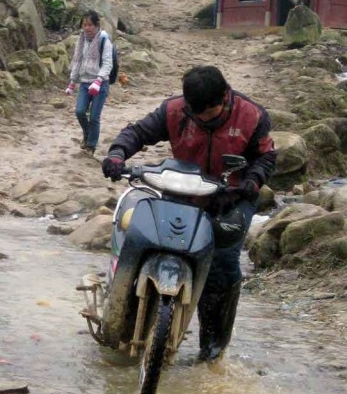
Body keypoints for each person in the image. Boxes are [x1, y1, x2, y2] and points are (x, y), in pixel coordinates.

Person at [101, 65, 276, 362]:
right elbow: (139, 132)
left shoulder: (252, 116)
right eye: (194, 114)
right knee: (144, 238)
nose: (200, 119)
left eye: (207, 114)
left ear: (225, 96)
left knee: (221, 264)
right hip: (181, 191)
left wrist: (253, 180)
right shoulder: (174, 110)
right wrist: (118, 153)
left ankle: (212, 348)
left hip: (230, 198)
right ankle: (124, 318)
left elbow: (266, 155)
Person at [65, 10, 113, 155]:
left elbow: (107, 63)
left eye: (89, 25)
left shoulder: (104, 40)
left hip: (101, 83)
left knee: (94, 117)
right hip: (85, 83)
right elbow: (77, 60)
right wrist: (72, 82)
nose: (86, 28)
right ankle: (87, 134)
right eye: (84, 25)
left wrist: (98, 81)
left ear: (97, 25)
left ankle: (91, 145)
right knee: (79, 111)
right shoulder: (81, 40)